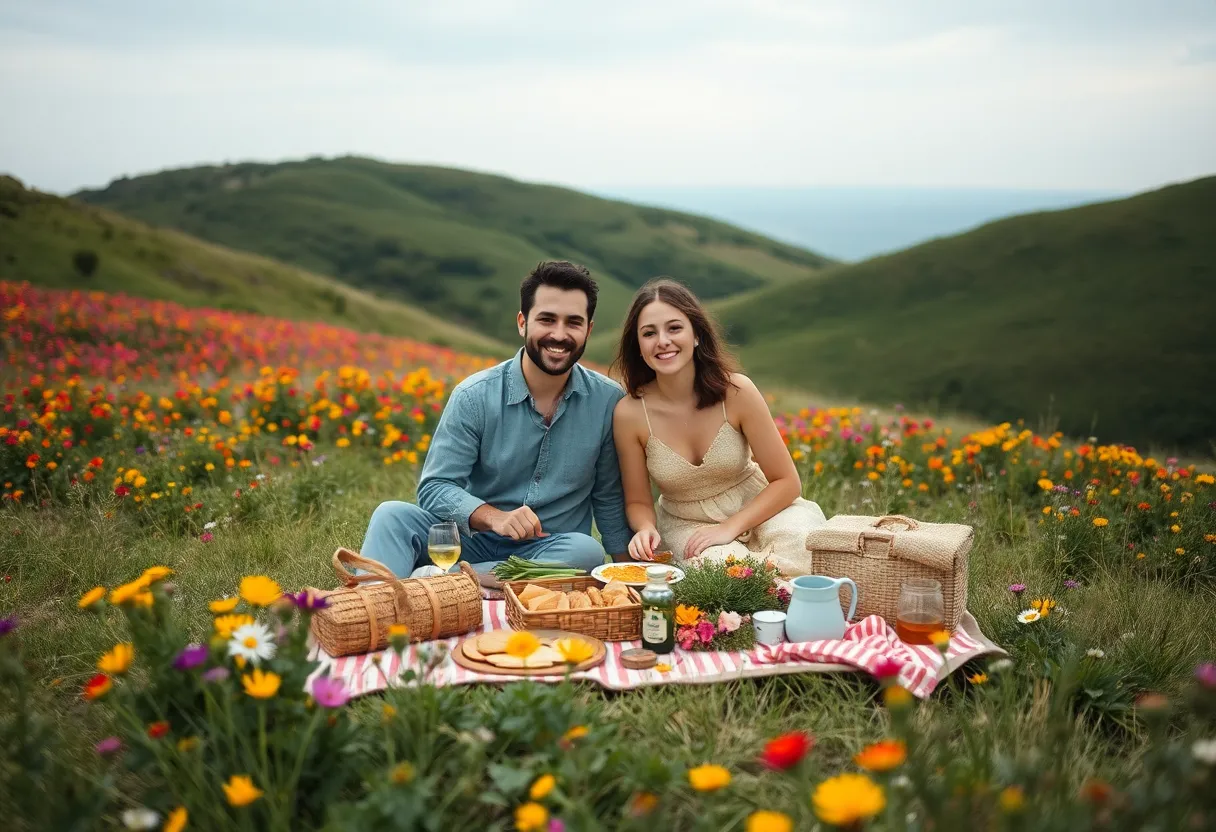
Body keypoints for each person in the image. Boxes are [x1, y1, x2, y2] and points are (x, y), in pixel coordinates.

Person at [359, 261, 633, 578]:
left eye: (573, 322)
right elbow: (435, 487)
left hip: (547, 552)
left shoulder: (609, 401)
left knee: (585, 552)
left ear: (588, 329)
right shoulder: (474, 395)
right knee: (391, 516)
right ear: (522, 323)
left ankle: (444, 582)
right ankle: (372, 609)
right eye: (546, 320)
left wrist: (629, 573)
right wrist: (493, 517)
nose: (559, 334)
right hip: (470, 541)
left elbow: (609, 498)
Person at [610, 277, 826, 575]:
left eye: (674, 328)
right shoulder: (630, 413)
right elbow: (637, 499)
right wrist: (645, 527)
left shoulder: (737, 392)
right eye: (649, 333)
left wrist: (729, 527)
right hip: (687, 526)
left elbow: (787, 482)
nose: (663, 341)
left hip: (761, 508)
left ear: (696, 334)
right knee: (724, 571)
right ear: (639, 346)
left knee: (805, 548)